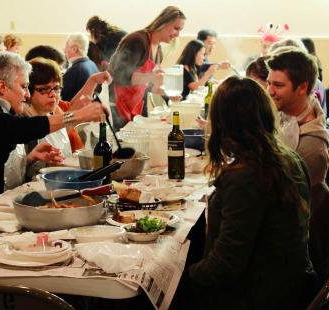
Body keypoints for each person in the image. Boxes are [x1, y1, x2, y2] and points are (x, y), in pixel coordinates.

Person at [178, 76, 317, 309]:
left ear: (223, 124)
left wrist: (181, 279)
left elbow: (225, 266)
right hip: (293, 284)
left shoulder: (246, 177)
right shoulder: (288, 158)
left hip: (261, 296)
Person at [0, 52, 106, 211]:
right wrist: (78, 115)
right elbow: (24, 128)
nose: (27, 95)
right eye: (24, 87)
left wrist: (30, 158)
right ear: (2, 86)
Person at [109, 6, 186, 122]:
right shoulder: (138, 41)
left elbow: (147, 84)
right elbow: (119, 75)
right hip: (116, 106)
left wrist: (166, 93)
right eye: (176, 28)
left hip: (134, 105)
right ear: (163, 23)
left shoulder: (158, 49)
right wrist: (152, 77)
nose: (178, 35)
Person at [267, 48, 329, 187]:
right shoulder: (284, 112)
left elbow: (301, 205)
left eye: (278, 85)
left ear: (302, 88)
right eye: (269, 83)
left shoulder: (312, 149)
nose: (270, 91)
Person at [61, 32, 99, 101]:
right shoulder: (92, 64)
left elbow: (60, 96)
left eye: (66, 46)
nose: (64, 50)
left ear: (74, 49)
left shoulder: (75, 70)